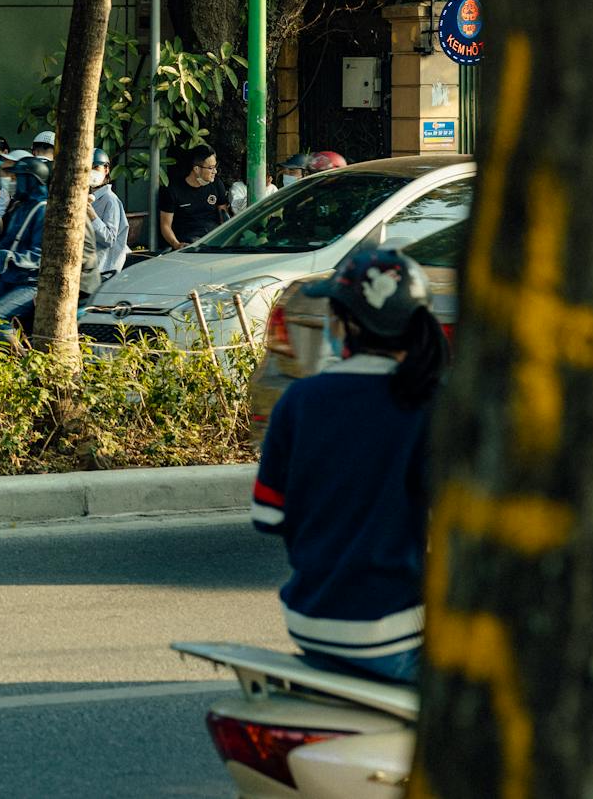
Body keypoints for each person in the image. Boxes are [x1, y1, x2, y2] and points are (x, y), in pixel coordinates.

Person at [252, 246, 447, 684]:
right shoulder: (433, 407)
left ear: (346, 325)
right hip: (394, 633)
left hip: (308, 622)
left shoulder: (298, 402)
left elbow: (269, 517)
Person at [0, 154, 50, 333]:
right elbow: (8, 241)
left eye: (16, 178)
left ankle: (17, 357)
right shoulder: (21, 207)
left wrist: (11, 257)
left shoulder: (43, 210)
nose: (11, 181)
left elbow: (40, 255)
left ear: (30, 181)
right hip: (11, 278)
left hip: (31, 283)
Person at [158, 145, 225, 250]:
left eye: (215, 167)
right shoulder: (173, 190)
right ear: (196, 169)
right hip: (188, 242)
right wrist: (176, 244)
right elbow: (165, 226)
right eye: (211, 168)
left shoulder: (217, 184)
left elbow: (224, 217)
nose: (215, 172)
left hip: (214, 239)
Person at [87, 148, 131, 282]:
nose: (91, 172)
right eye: (88, 168)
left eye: (96, 167)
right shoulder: (87, 197)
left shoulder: (110, 200)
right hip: (87, 267)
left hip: (104, 270)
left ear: (106, 169)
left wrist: (92, 216)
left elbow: (110, 239)